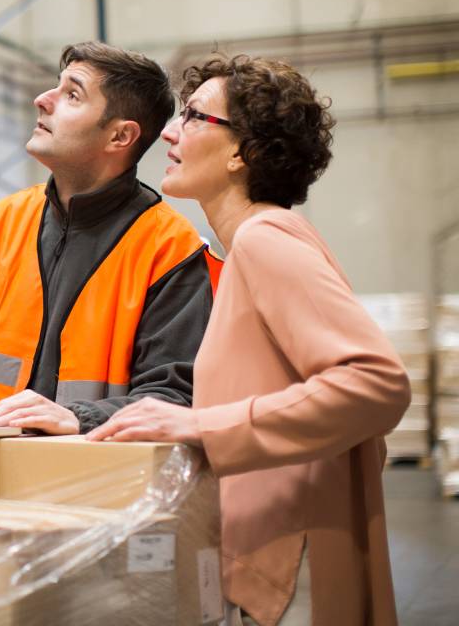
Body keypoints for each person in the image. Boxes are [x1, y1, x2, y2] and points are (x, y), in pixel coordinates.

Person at [87, 55, 411, 625]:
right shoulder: (251, 247)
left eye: (192, 118)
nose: (169, 131)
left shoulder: (267, 240)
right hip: (274, 552)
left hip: (291, 569)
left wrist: (199, 425)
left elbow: (375, 383)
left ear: (243, 152)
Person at [0, 41, 218, 434]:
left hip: (100, 485)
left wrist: (79, 418)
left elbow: (172, 396)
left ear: (120, 137)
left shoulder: (169, 249)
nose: (42, 100)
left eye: (72, 94)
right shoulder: (2, 223)